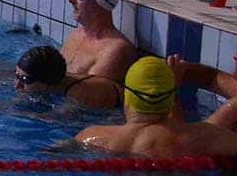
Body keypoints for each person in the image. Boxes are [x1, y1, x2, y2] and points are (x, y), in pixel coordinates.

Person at [74, 56, 237, 158]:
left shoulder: (91, 136)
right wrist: (192, 71)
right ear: (171, 97)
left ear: (127, 97)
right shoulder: (204, 136)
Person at [52, 0, 138, 82]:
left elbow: (90, 92)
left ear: (101, 1)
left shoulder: (116, 50)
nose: (71, 0)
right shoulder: (76, 34)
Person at [13, 45, 122, 109]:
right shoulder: (57, 80)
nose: (17, 85)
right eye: (17, 76)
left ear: (45, 80)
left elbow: (56, 120)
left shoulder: (77, 94)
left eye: (24, 79)